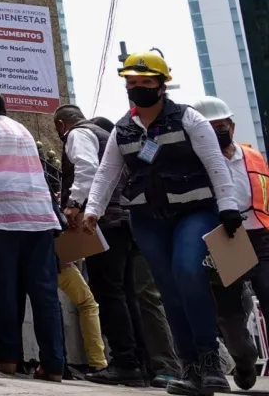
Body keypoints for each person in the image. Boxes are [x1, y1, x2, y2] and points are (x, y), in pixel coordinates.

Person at [84, 51, 239, 396]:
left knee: (188, 272)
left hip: (193, 211)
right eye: (132, 82)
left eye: (145, 82)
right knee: (168, 290)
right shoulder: (123, 128)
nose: (137, 88)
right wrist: (92, 209)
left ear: (161, 85)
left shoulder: (189, 119)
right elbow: (107, 172)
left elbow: (215, 163)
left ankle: (209, 360)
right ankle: (191, 369)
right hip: (147, 219)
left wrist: (227, 206)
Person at [0, 83, 65, 382]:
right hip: (39, 217)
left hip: (1, 217)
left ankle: (8, 357)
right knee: (45, 292)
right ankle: (54, 364)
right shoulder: (22, 130)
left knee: (5, 289)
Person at [54, 104, 148, 386]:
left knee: (108, 292)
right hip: (127, 220)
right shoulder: (106, 135)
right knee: (125, 293)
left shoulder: (78, 134)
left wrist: (73, 204)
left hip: (103, 222)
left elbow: (87, 168)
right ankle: (138, 363)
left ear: (61, 125)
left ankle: (124, 362)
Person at [90, 115, 181, 388]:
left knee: (146, 294)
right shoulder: (128, 144)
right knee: (136, 293)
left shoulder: (153, 140)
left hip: (153, 223)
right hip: (137, 224)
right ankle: (147, 363)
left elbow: (149, 169)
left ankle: (167, 365)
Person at [195, 95, 269, 391]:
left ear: (232, 127)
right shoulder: (197, 163)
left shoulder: (253, 156)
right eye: (210, 127)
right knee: (230, 309)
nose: (217, 132)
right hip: (227, 238)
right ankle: (244, 359)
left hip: (261, 234)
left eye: (221, 125)